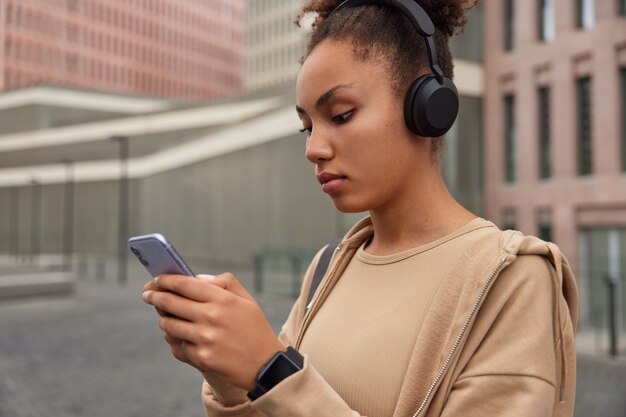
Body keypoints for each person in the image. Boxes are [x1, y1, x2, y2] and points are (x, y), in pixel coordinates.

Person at [141, 0, 579, 416]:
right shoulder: (329, 266)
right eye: (306, 127)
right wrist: (229, 374)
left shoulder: (513, 277)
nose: (314, 149)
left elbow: (284, 388)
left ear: (427, 106)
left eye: (342, 114)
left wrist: (270, 368)